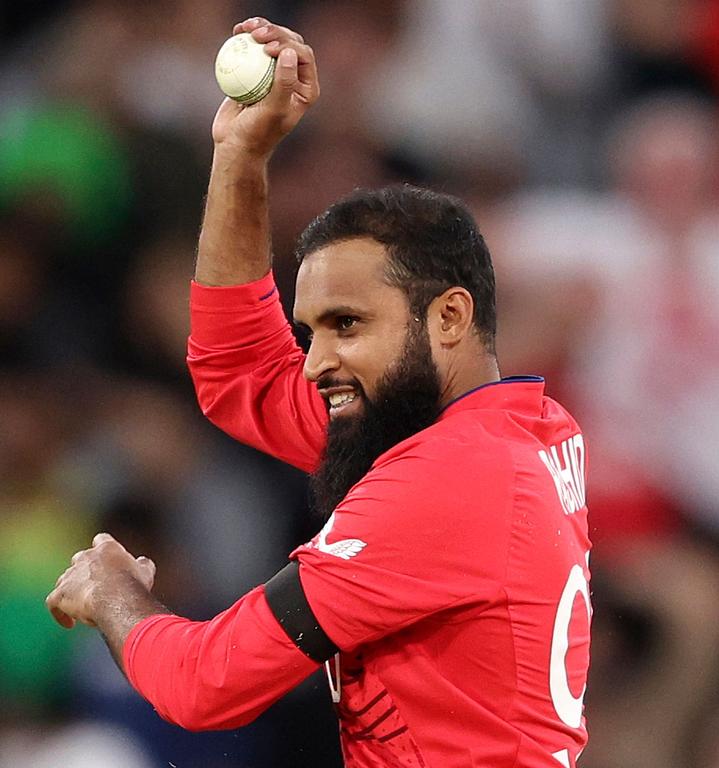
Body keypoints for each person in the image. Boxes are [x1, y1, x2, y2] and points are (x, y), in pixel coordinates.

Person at [47, 17, 591, 768]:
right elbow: (243, 370)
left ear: (450, 317)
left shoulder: (446, 482)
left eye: (347, 325)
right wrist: (241, 156)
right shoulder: (523, 428)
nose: (314, 361)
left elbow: (207, 683)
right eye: (313, 329)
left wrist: (113, 593)